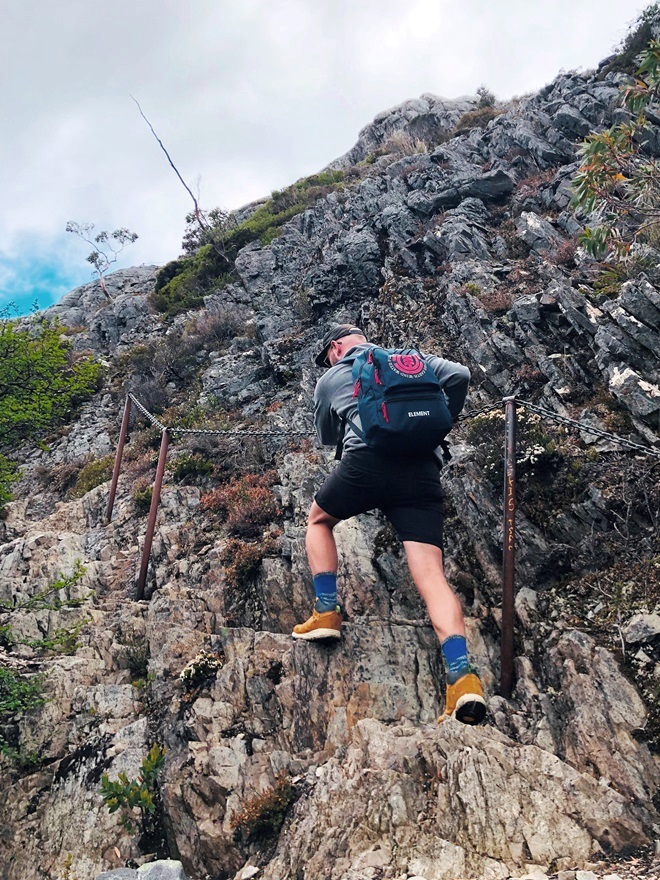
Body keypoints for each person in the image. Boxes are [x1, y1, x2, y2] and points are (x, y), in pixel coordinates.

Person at [292, 324, 486, 725]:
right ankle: (463, 679)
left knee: (318, 519)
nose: (327, 361)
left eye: (326, 354)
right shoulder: (412, 360)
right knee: (432, 576)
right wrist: (439, 422)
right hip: (422, 469)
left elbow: (328, 436)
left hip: (366, 464)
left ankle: (327, 611)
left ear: (335, 347)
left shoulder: (332, 376)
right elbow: (461, 375)